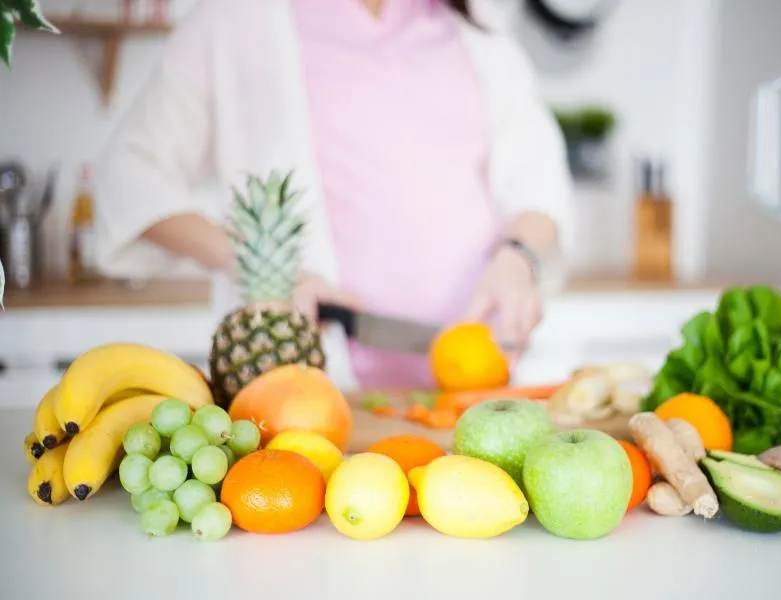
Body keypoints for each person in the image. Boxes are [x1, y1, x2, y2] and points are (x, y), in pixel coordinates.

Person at [93, 0, 573, 391]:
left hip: (477, 381)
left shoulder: (480, 26)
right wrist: (266, 272)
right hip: (303, 389)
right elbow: (130, 174)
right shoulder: (232, 21)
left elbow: (539, 178)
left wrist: (519, 258)